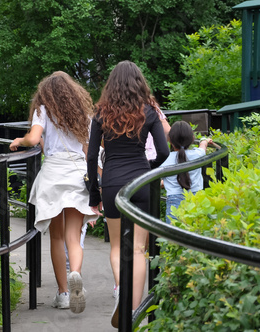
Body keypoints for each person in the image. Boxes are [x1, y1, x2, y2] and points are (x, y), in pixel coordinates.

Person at [86, 60, 169, 328]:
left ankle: (122, 294)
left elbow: (90, 157)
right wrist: (149, 170)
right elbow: (164, 153)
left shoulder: (101, 114)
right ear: (139, 83)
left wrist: (94, 193)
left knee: (117, 247)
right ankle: (134, 310)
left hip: (111, 183)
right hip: (141, 181)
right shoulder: (149, 111)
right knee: (139, 249)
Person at [10, 71, 97, 314]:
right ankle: (76, 273)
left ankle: (63, 293)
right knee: (74, 235)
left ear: (45, 92)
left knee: (56, 238)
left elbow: (34, 138)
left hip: (53, 175)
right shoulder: (84, 114)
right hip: (78, 174)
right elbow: (89, 149)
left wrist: (21, 140)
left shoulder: (43, 110)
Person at [160, 121, 213, 223]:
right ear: (192, 139)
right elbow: (203, 147)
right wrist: (204, 141)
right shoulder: (198, 154)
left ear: (169, 140)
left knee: (174, 234)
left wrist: (163, 183)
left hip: (174, 201)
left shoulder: (164, 160)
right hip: (196, 198)